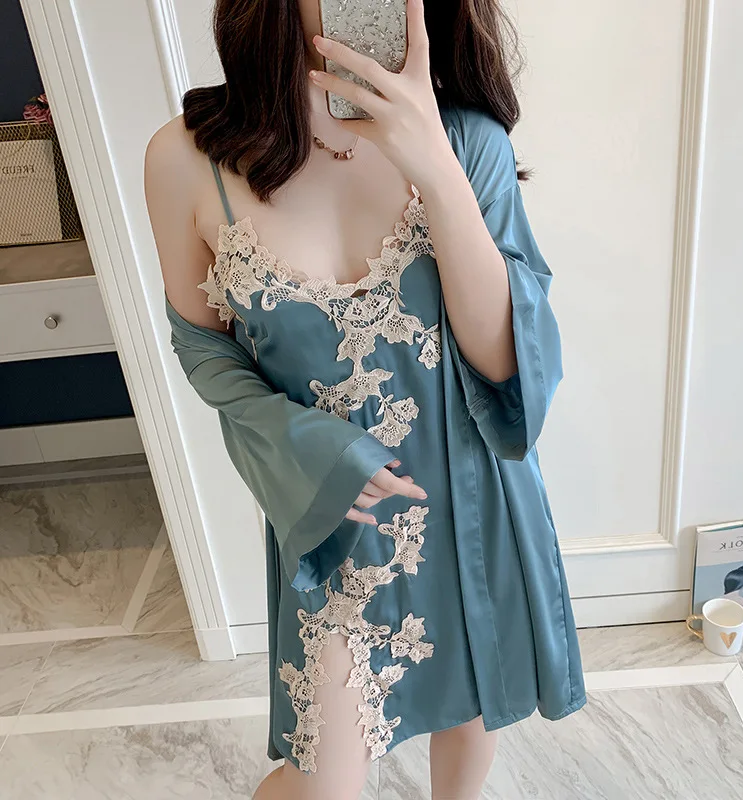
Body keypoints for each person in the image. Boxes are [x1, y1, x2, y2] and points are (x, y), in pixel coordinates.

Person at [143, 0, 586, 798]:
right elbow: (203, 346)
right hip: (334, 521)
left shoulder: (467, 142)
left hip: (472, 502)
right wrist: (310, 448)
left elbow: (502, 359)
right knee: (321, 784)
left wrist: (436, 168)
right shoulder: (185, 160)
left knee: (469, 720)